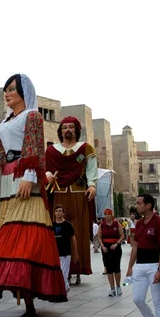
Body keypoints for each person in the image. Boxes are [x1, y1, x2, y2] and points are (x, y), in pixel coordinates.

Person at [0, 73, 67, 317]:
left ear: (24, 92)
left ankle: (28, 299)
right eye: (6, 89)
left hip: (24, 176)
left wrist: (30, 176)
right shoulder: (4, 123)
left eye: (12, 89)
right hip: (8, 178)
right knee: (12, 231)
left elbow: (34, 147)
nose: (7, 93)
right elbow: (1, 155)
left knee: (28, 232)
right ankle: (20, 295)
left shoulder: (32, 116)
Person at [46, 116, 98, 282]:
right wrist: (47, 175)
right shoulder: (52, 151)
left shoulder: (85, 148)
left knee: (78, 231)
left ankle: (77, 268)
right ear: (60, 131)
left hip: (78, 193)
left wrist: (92, 185)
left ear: (76, 130)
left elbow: (91, 169)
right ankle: (60, 268)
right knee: (58, 232)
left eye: (71, 127)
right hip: (58, 193)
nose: (67, 130)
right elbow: (46, 169)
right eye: (64, 127)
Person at [126, 194, 160, 317]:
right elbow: (135, 246)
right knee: (137, 298)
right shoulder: (138, 223)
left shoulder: (159, 222)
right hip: (140, 265)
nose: (136, 206)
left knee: (158, 301)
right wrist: (130, 267)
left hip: (154, 265)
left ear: (148, 205)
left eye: (138, 203)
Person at [98, 208, 124, 296]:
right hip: (106, 248)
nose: (107, 216)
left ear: (111, 215)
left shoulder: (117, 224)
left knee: (116, 267)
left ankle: (118, 286)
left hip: (115, 247)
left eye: (108, 214)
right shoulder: (102, 225)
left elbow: (122, 235)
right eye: (105, 214)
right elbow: (99, 237)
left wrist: (117, 243)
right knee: (109, 269)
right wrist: (102, 246)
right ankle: (112, 289)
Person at [53, 205, 78, 293]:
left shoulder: (68, 225)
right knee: (57, 272)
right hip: (55, 253)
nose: (58, 213)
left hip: (66, 252)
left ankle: (63, 291)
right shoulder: (52, 225)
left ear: (63, 213)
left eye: (60, 211)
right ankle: (66, 286)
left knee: (64, 272)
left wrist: (75, 253)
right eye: (57, 211)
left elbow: (73, 239)